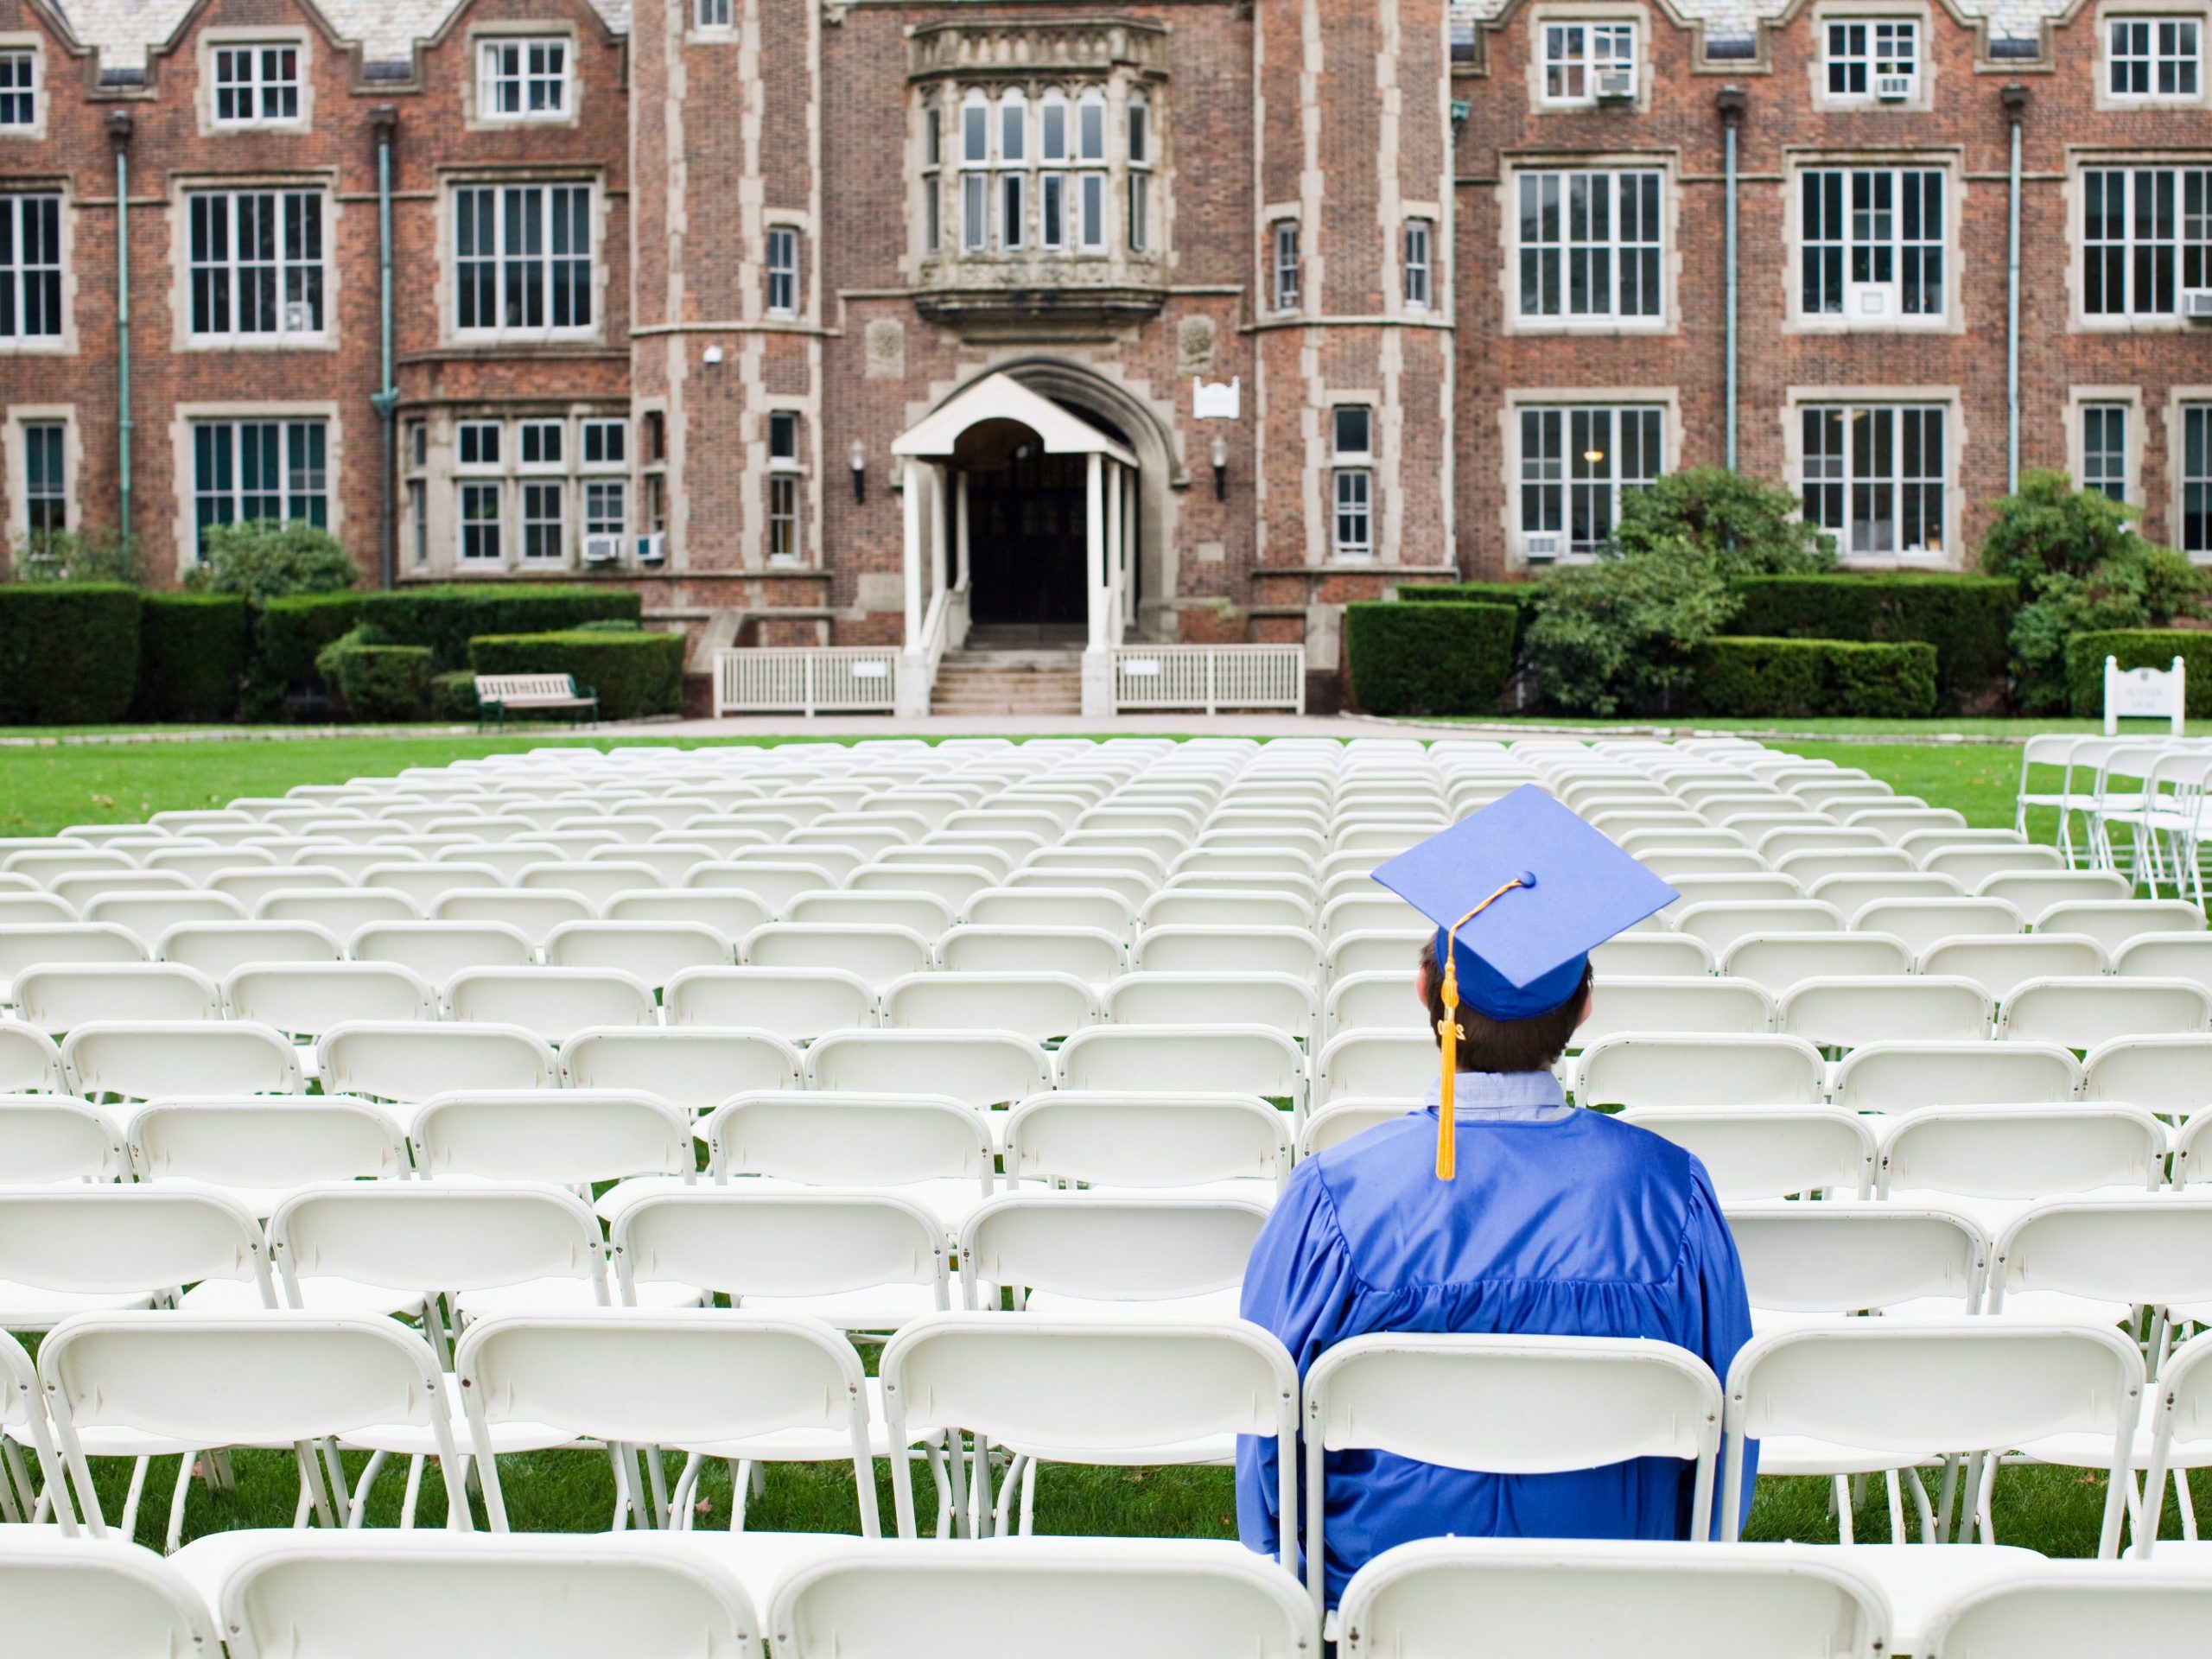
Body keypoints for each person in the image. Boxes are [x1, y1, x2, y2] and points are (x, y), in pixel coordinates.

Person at [1235, 785, 1756, 1605]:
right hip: (1613, 1604)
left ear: (1425, 998)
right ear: (1584, 1009)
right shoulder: (1672, 1198)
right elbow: (1729, 1442)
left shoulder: (1335, 1196)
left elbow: (1268, 1441)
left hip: (1384, 1602)